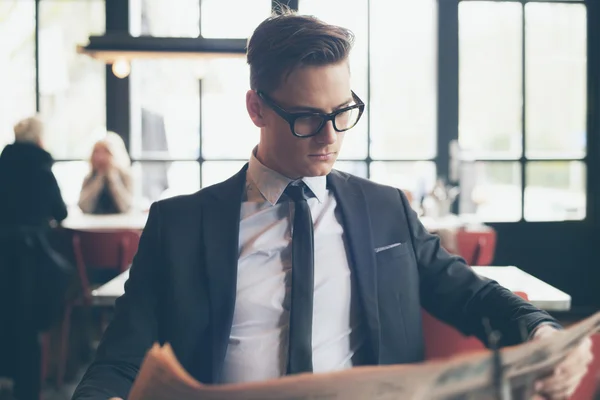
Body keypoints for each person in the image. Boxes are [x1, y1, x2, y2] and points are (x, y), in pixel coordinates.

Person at [73, 11, 592, 400]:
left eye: (343, 112)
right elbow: (118, 362)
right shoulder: (179, 225)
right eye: (306, 117)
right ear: (256, 108)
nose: (330, 137)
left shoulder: (387, 209)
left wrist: (544, 334)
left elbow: (473, 297)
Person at [0, 116, 72, 400]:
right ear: (40, 139)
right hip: (29, 259)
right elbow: (61, 213)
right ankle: (30, 388)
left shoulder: (2, 166)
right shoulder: (42, 170)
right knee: (29, 325)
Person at [78, 131, 134, 215]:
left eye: (106, 152)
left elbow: (126, 207)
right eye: (96, 152)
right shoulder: (89, 178)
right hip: (93, 225)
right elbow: (83, 207)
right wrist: (99, 179)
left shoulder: (126, 176)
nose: (100, 157)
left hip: (120, 225)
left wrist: (113, 179)